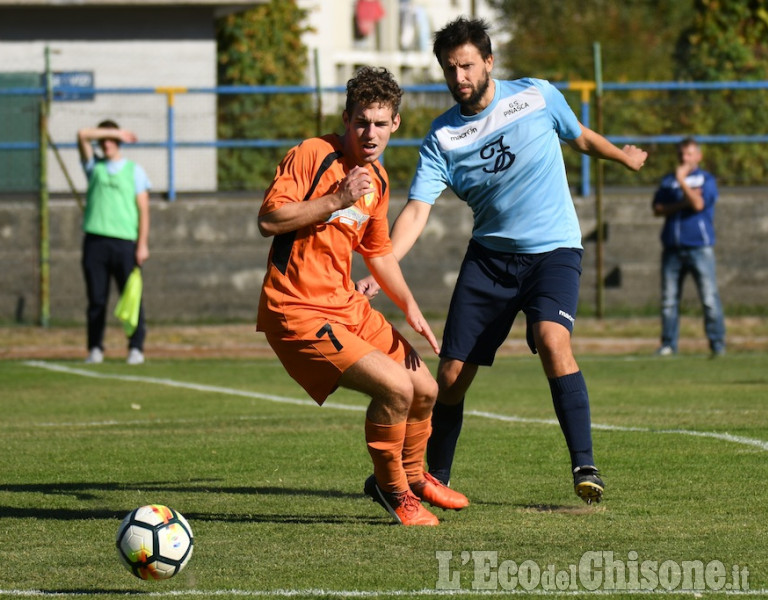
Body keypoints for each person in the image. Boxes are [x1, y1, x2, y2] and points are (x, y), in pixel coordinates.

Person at [357, 18, 647, 504]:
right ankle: (434, 477)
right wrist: (380, 266)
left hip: (554, 250)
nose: (459, 77)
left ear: (489, 62)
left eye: (467, 65)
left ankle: (585, 465)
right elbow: (416, 212)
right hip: (490, 262)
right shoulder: (441, 139)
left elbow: (578, 137)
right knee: (448, 380)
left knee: (553, 341)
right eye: (450, 69)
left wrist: (622, 156)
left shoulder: (537, 96)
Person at [255, 66, 469, 527]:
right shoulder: (315, 154)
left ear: (395, 123)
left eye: (380, 123)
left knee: (426, 389)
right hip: (297, 310)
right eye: (361, 122)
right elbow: (270, 219)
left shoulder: (380, 180)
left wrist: (411, 308)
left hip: (344, 304)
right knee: (395, 387)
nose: (369, 133)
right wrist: (335, 199)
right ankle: (392, 490)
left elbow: (379, 253)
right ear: (347, 119)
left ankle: (413, 477)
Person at [77, 120, 151, 365]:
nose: (106, 143)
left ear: (118, 142)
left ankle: (136, 347)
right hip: (95, 242)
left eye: (111, 139)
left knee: (131, 298)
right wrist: (113, 131)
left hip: (125, 244)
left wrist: (142, 244)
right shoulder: (94, 167)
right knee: (96, 299)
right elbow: (82, 134)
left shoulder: (134, 170)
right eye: (104, 139)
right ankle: (95, 347)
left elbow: (143, 210)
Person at [652, 137, 725, 357]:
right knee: (668, 301)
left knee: (709, 298)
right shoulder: (667, 181)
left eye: (689, 154)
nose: (684, 158)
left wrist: (682, 181)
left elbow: (699, 204)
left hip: (699, 248)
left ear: (698, 156)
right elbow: (658, 208)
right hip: (672, 248)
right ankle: (668, 345)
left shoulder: (706, 180)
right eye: (682, 154)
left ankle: (717, 344)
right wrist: (681, 200)